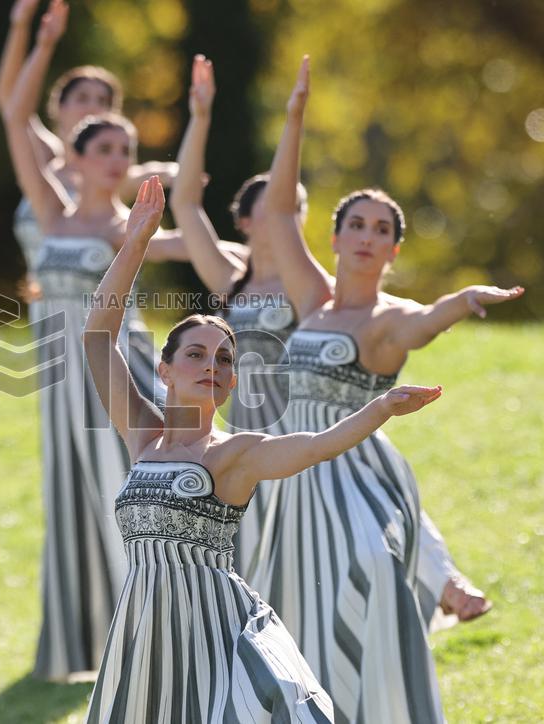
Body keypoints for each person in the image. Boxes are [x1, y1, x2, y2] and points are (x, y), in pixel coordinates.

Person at [83, 176, 444, 722]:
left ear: (232, 383)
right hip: (144, 631)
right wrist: (136, 244)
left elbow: (317, 445)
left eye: (224, 360)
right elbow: (96, 337)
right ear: (165, 370)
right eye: (196, 355)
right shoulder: (142, 436)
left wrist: (380, 408)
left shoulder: (235, 454)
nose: (211, 365)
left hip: (216, 635)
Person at [169, 54, 492, 632]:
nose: (287, 218)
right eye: (275, 210)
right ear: (247, 222)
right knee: (264, 566)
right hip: (245, 431)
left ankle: (440, 581)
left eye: (296, 210)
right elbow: (186, 204)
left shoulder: (311, 287)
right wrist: (199, 116)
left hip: (307, 424)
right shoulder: (230, 279)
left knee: (369, 490)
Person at [257, 56, 524, 722]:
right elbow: (277, 212)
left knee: (370, 574)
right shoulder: (313, 299)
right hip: (289, 477)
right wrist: (294, 117)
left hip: (352, 477)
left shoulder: (389, 320)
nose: (368, 237)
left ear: (394, 251)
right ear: (336, 237)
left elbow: (426, 321)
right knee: (290, 612)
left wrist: (463, 299)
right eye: (358, 224)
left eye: (383, 230)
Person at [1, 0, 191, 681]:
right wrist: (38, 37)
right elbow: (14, 116)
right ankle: (83, 645)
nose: (115, 161)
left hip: (115, 366)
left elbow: (186, 243)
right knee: (70, 493)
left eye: (123, 152)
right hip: (58, 370)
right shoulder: (52, 214)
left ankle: (156, 629)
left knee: (127, 486)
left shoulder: (122, 227)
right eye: (103, 150)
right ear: (74, 158)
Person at [0, 0, 178, 309]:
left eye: (103, 101)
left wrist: (179, 175)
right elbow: (10, 103)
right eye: (82, 97)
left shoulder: (116, 173)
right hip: (46, 303)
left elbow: (165, 174)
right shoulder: (46, 158)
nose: (93, 106)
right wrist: (22, 26)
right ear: (58, 107)